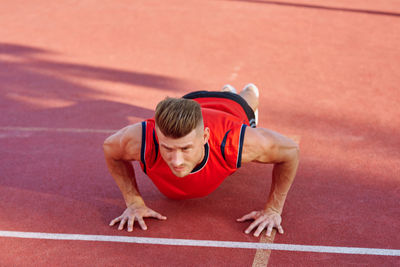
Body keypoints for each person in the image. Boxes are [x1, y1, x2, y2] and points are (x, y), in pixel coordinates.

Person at [103, 84, 299, 237]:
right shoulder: (141, 140)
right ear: (157, 136)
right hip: (187, 102)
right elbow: (110, 150)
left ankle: (244, 92)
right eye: (167, 148)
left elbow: (290, 151)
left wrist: (273, 209)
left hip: (231, 108)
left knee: (247, 98)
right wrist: (134, 202)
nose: (176, 161)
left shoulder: (233, 142)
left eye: (185, 148)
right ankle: (226, 91)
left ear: (205, 137)